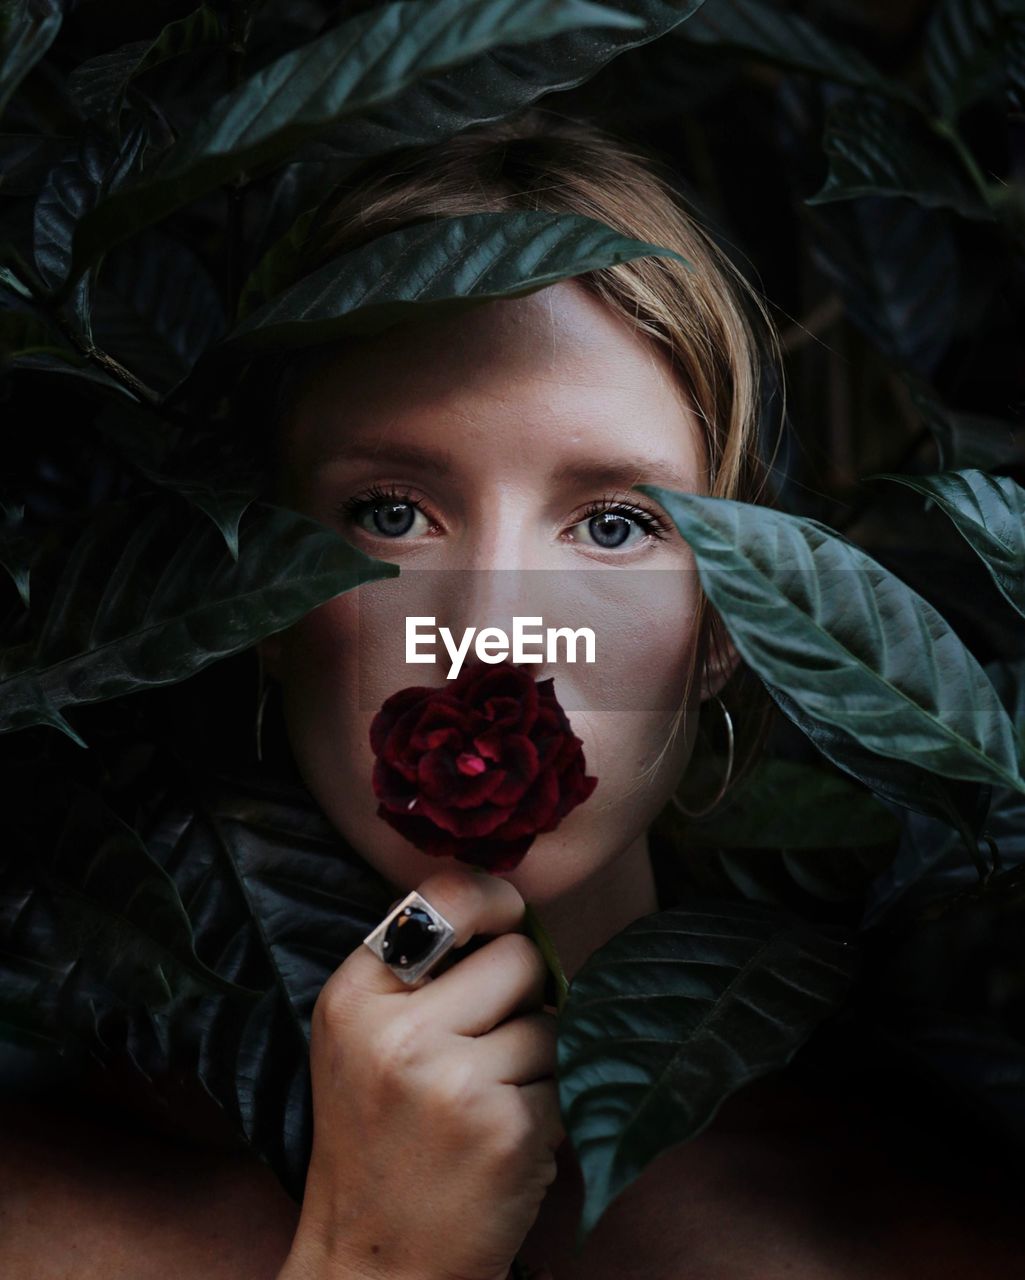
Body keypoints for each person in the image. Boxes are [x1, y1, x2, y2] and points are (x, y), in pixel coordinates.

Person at [2, 108, 1022, 1280]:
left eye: (612, 524)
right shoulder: (44, 1206)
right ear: (265, 603)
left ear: (729, 625)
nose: (490, 636)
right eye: (392, 513)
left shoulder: (921, 1220)